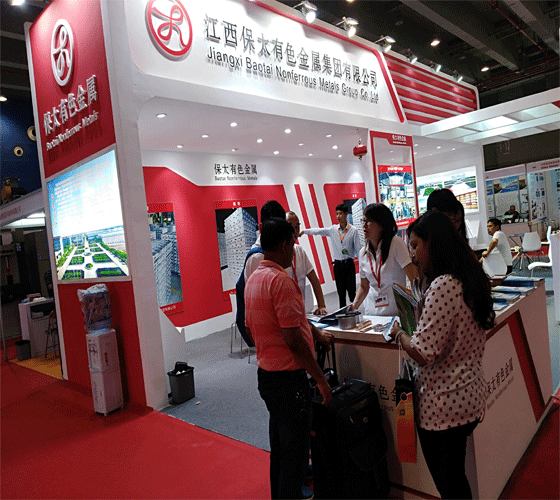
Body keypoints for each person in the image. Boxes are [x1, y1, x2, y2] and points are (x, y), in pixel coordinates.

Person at [389, 211, 495, 500]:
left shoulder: (443, 285)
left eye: (415, 245)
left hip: (442, 406)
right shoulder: (469, 276)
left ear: (433, 243)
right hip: (467, 395)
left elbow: (423, 353)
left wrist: (399, 333)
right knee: (455, 479)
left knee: (450, 485)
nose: (412, 254)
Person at [244, 217, 333, 499]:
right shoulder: (280, 282)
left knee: (280, 451)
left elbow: (250, 328)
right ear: (284, 246)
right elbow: (294, 341)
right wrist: (320, 380)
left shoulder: (253, 279)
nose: (294, 251)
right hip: (289, 382)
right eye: (293, 244)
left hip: (267, 377)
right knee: (294, 458)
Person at [348, 203, 419, 316]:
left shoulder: (395, 243)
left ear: (382, 225)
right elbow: (364, 286)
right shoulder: (363, 253)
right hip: (373, 315)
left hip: (396, 314)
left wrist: (418, 306)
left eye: (368, 221)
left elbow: (414, 277)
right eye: (363, 221)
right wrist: (353, 307)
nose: (364, 225)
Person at [301, 203, 361, 308]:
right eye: (337, 214)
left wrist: (363, 266)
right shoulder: (333, 230)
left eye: (340, 214)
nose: (338, 216)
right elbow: (318, 231)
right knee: (341, 293)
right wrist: (304, 231)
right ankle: (342, 313)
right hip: (338, 266)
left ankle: (355, 311)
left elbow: (359, 249)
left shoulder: (353, 231)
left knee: (352, 292)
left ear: (346, 214)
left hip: (349, 265)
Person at [286, 211, 327, 315]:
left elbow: (314, 279)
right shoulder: (279, 255)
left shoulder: (299, 251)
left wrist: (321, 305)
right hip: (285, 313)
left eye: (297, 227)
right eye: (290, 227)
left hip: (301, 311)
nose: (295, 231)